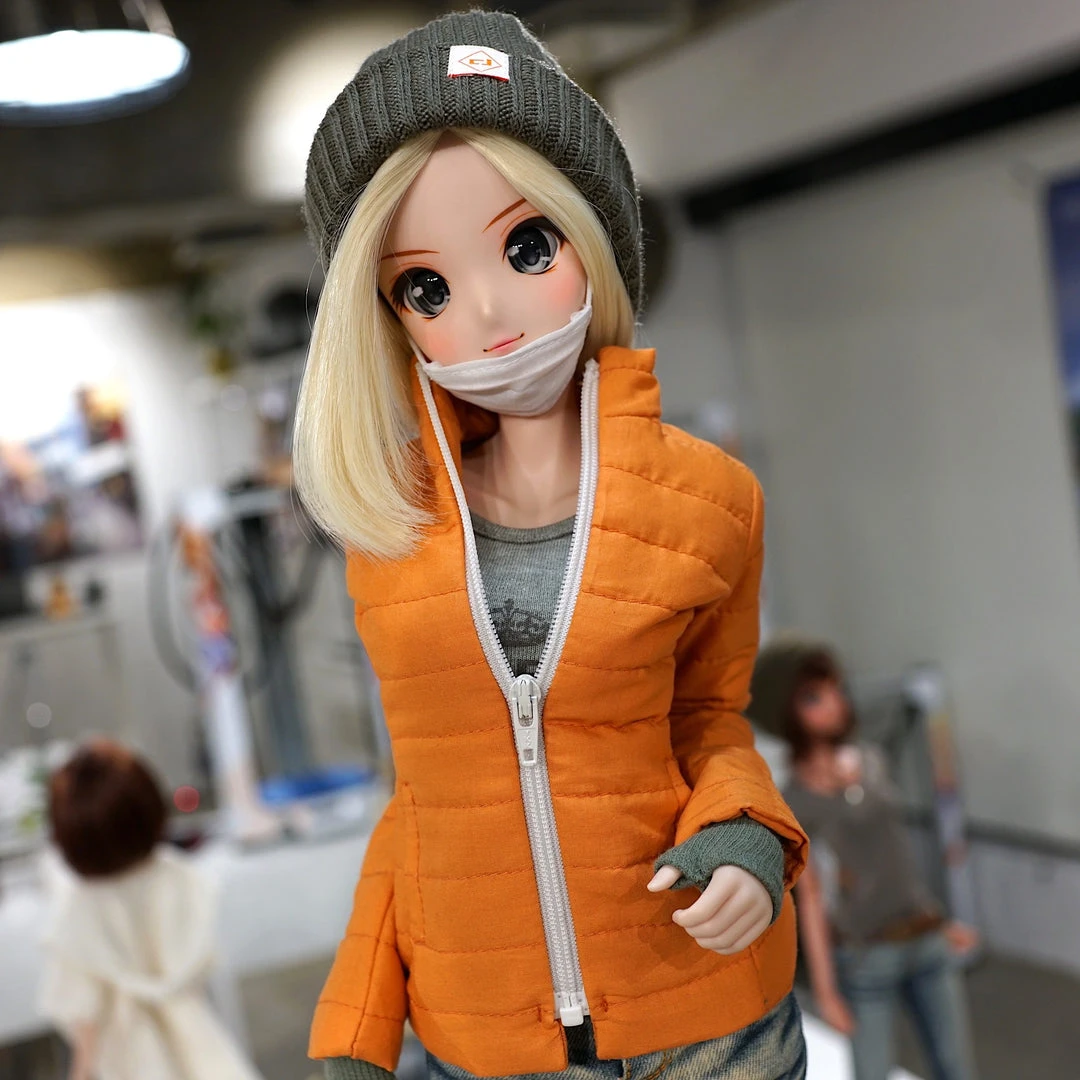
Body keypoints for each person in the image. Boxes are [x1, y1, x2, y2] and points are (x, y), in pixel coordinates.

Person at [294, 11, 810, 1080]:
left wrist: (749, 838)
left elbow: (711, 721)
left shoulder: (714, 499)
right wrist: (354, 1030)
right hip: (487, 1041)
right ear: (388, 318)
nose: (490, 313)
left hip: (704, 1020)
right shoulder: (390, 531)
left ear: (593, 236)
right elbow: (421, 808)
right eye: (426, 288)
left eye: (529, 247)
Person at [747, 638, 979, 1080]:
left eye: (834, 689)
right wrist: (827, 991)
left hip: (925, 937)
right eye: (813, 696)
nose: (833, 702)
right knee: (871, 1071)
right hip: (866, 953)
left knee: (955, 1068)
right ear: (786, 711)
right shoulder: (793, 799)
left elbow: (897, 856)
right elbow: (810, 897)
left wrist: (939, 920)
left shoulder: (871, 761)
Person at [38, 739, 264, 1080]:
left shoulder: (82, 907)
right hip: (197, 1042)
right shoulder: (177, 877)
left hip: (126, 1061)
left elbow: (84, 1017)